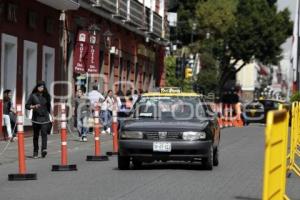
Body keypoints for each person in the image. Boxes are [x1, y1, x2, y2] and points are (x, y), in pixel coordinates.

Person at [25, 81, 52, 158]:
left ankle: (44, 149)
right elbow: (26, 106)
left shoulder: (47, 96)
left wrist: (51, 116)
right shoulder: (33, 96)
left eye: (43, 87)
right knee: (36, 136)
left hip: (45, 118)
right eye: (40, 87)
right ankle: (35, 152)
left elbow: (49, 107)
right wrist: (33, 107)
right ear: (37, 87)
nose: (41, 88)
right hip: (36, 118)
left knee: (44, 134)